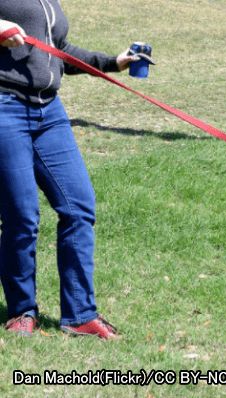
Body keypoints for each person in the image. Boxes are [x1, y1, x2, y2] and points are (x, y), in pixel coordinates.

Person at [0, 1, 138, 339]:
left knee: (79, 206)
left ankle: (79, 315)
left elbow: (57, 49)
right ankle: (21, 311)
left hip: (50, 113)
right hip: (5, 107)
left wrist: (112, 63)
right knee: (22, 215)